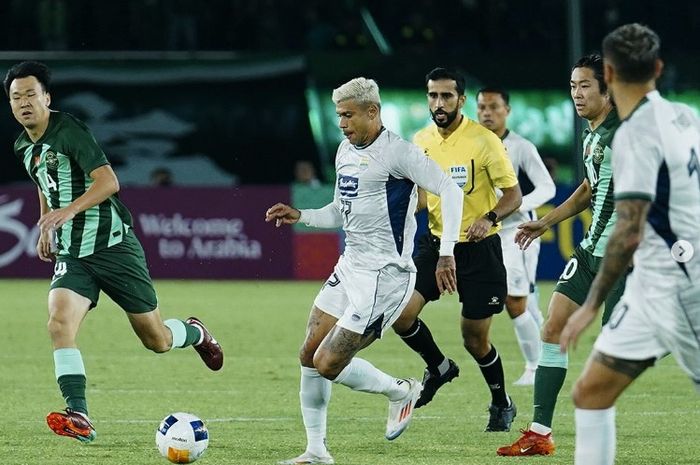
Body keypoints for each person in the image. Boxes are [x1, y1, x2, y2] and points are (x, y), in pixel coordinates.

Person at [4, 61, 223, 443]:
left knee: (156, 340)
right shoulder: (24, 144)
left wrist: (68, 211)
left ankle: (194, 332)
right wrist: (45, 225)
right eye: (16, 97)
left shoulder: (70, 130)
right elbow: (44, 181)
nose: (23, 102)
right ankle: (80, 415)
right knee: (58, 324)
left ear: (47, 98)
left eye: (30, 94)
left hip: (113, 247)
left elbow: (109, 181)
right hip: (73, 254)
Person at [265, 77, 464, 465]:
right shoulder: (344, 150)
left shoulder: (399, 154)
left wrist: (447, 253)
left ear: (372, 112)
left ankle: (400, 389)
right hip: (350, 266)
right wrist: (302, 215)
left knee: (328, 363)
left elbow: (451, 190)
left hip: (384, 277)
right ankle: (316, 451)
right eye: (339, 115)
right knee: (308, 353)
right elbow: (341, 210)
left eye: (348, 115)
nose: (342, 123)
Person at [561, 23, 700, 465]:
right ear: (658, 68)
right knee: (590, 393)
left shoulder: (633, 135)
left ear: (612, 77)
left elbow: (629, 228)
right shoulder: (685, 115)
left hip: (681, 288)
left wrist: (590, 305)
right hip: (649, 289)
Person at [497, 53, 627, 456]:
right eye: (573, 86)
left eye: (585, 85)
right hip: (590, 253)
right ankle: (540, 432)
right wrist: (546, 222)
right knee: (552, 328)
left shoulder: (626, 135)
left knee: (613, 352)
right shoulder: (592, 134)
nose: (577, 93)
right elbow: (589, 188)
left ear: (607, 89)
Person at [391, 67, 522, 431]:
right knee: (400, 315)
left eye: (447, 96)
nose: (439, 103)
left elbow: (514, 194)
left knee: (475, 339)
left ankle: (501, 402)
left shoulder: (484, 141)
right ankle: (439, 367)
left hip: (478, 249)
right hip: (434, 245)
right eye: (433, 95)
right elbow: (419, 196)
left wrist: (490, 217)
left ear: (461, 100)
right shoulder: (420, 141)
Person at [477, 87, 556, 386]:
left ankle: (536, 368)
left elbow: (547, 187)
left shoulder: (520, 147)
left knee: (515, 298)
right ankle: (549, 359)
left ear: (507, 110)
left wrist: (516, 206)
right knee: (525, 299)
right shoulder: (474, 145)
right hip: (487, 231)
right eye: (482, 107)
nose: (487, 112)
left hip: (517, 232)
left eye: (494, 107)